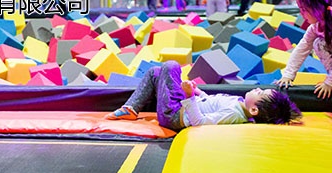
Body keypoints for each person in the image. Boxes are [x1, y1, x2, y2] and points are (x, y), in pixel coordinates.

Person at [106, 61, 301, 130]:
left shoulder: (233, 114)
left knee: (171, 66)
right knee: (155, 72)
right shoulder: (239, 104)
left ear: (254, 109)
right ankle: (131, 108)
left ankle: (132, 108)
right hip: (180, 107)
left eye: (260, 93)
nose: (258, 89)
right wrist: (198, 92)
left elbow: (199, 122)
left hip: (174, 115)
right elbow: (209, 103)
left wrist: (190, 96)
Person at [276, 0, 332, 99]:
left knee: (319, 44)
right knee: (317, 43)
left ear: (318, 9)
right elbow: (301, 49)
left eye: (304, 10)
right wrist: (288, 75)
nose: (301, 14)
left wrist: (329, 83)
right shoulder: (315, 27)